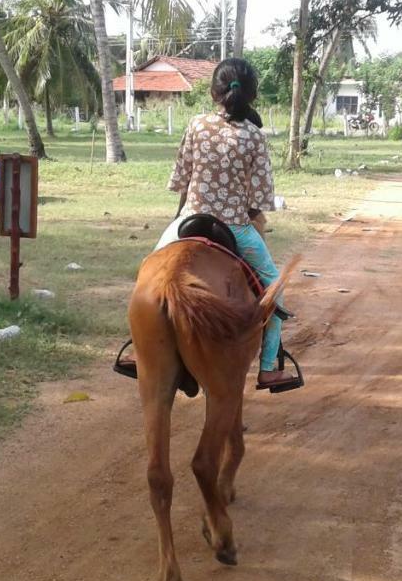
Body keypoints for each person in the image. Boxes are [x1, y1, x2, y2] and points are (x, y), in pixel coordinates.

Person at [126, 58, 301, 392]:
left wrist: (179, 217)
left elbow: (181, 178)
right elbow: (261, 198)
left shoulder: (196, 124)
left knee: (147, 277)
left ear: (213, 92)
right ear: (251, 95)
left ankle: (137, 349)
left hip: (188, 220)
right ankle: (268, 368)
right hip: (235, 226)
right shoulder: (254, 136)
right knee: (274, 291)